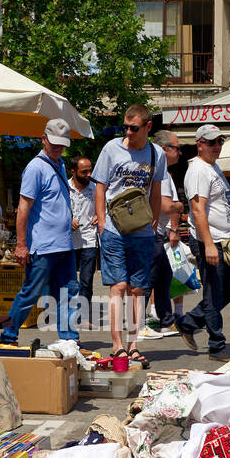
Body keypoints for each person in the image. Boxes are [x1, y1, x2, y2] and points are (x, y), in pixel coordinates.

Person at [0, 119, 80, 347]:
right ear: (43, 139)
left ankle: (69, 340)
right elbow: (23, 208)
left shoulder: (59, 164)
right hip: (43, 245)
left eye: (62, 144)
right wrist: (21, 245)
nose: (58, 148)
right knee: (30, 292)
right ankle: (9, 336)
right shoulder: (35, 167)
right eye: (54, 143)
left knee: (68, 293)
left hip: (64, 245)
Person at [92, 104, 165, 366]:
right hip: (113, 228)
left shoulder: (156, 153)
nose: (128, 131)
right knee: (119, 286)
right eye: (125, 126)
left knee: (137, 289)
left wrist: (154, 222)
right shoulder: (112, 148)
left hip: (142, 230)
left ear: (147, 127)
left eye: (134, 128)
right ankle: (117, 344)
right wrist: (101, 222)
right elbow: (100, 188)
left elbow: (156, 191)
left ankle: (133, 344)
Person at [173, 126, 230, 359]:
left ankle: (189, 322)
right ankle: (217, 346)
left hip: (225, 241)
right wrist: (209, 245)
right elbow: (198, 210)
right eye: (211, 142)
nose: (217, 146)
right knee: (213, 293)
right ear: (199, 144)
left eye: (220, 141)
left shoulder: (212, 166)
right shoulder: (198, 170)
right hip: (210, 242)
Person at [141, 130, 183, 340]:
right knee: (147, 280)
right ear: (164, 149)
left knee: (164, 277)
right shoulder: (162, 173)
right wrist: (182, 205)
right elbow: (167, 206)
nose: (180, 153)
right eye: (176, 148)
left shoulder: (160, 170)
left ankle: (167, 322)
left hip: (155, 232)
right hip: (152, 233)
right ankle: (138, 326)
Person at [68, 155, 98, 323]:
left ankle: (84, 315)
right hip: (68, 242)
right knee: (70, 281)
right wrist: (68, 219)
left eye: (90, 170)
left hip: (89, 240)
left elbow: (106, 208)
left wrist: (100, 216)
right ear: (74, 172)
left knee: (86, 280)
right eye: (84, 171)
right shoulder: (65, 187)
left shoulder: (94, 188)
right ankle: (69, 314)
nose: (89, 174)